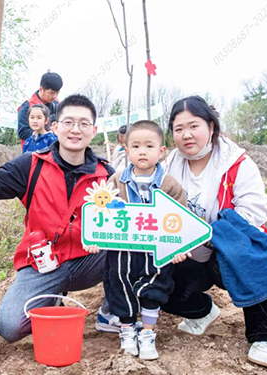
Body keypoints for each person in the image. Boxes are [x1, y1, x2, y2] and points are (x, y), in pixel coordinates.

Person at [0, 94, 123, 342]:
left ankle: (112, 309)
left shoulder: (107, 175)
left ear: (93, 131)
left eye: (83, 124)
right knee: (9, 327)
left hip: (90, 260)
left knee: (129, 249)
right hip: (43, 263)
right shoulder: (32, 165)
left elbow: (128, 221)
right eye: (68, 122)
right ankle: (49, 299)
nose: (75, 130)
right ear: (55, 127)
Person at [160, 96, 267, 367]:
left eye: (194, 126)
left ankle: (263, 335)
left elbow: (254, 212)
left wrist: (209, 233)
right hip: (188, 251)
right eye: (178, 129)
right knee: (160, 285)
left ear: (211, 127)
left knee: (245, 259)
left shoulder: (236, 163)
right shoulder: (168, 165)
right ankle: (202, 311)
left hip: (227, 247)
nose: (186, 135)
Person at [84, 121, 188, 360]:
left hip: (155, 253)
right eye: (136, 146)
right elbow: (100, 214)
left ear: (161, 151)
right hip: (121, 253)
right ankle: (127, 332)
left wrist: (179, 248)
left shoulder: (169, 184)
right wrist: (93, 238)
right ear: (126, 150)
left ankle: (148, 335)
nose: (143, 151)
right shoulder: (116, 181)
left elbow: (181, 220)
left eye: (149, 146)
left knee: (154, 289)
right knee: (120, 290)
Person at [17, 72, 63, 144]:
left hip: (54, 151)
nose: (54, 96)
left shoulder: (58, 105)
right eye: (51, 93)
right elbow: (22, 133)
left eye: (57, 93)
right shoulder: (27, 106)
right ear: (41, 89)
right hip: (33, 151)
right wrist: (46, 133)